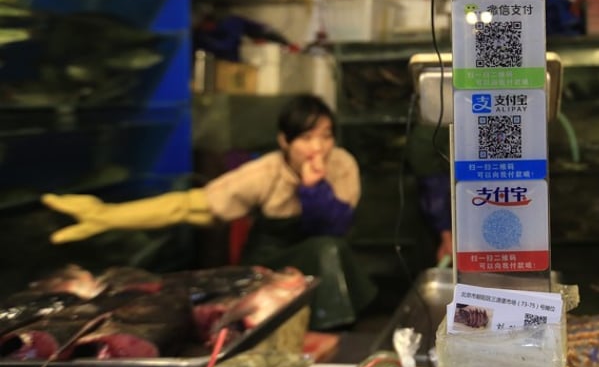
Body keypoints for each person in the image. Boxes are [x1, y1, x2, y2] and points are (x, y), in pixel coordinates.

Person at [42, 93, 377, 330]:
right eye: (306, 138)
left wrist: (313, 188)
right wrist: (107, 215)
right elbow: (190, 206)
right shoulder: (264, 173)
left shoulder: (342, 165)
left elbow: (336, 226)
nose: (318, 148)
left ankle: (339, 335)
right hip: (272, 265)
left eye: (326, 136)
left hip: (323, 263)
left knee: (329, 248)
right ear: (284, 141)